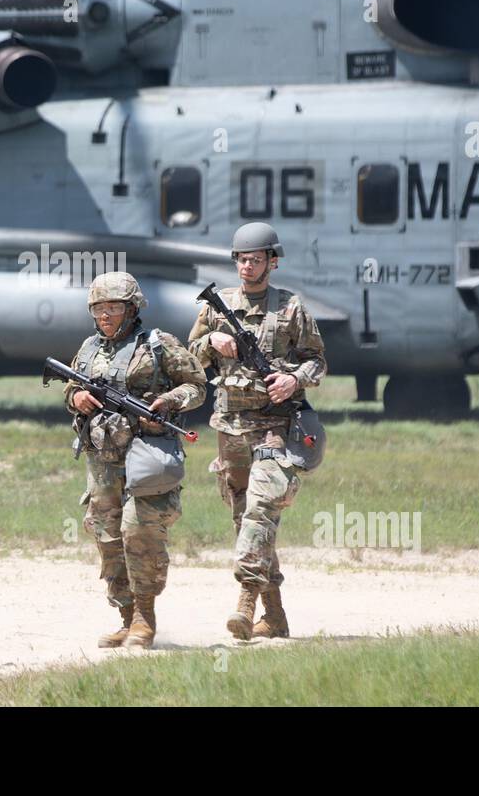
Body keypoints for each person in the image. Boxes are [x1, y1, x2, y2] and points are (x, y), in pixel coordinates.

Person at [188, 222, 326, 641]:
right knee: (246, 522)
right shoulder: (217, 306)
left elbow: (317, 360)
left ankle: (246, 605)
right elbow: (189, 359)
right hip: (230, 430)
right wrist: (213, 340)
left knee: (260, 512)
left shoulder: (290, 308)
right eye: (242, 259)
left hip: (275, 429)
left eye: (256, 259)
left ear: (273, 261)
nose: (247, 266)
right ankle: (277, 617)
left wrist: (294, 381)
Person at [64, 271, 206, 649]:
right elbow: (71, 386)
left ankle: (145, 616)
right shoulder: (89, 348)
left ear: (132, 309)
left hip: (147, 453)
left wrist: (169, 401)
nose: (105, 315)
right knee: (107, 536)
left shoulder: (159, 345)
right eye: (98, 309)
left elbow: (197, 386)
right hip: (102, 458)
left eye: (113, 307)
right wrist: (75, 398)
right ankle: (126, 617)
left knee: (138, 531)